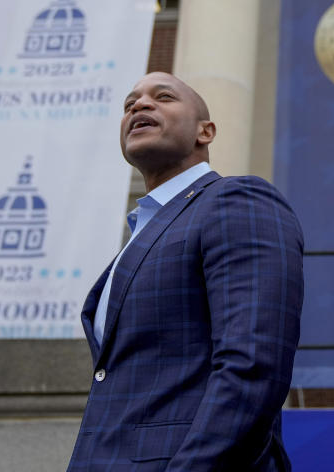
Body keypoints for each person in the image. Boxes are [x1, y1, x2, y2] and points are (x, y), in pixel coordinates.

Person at [67, 72, 305, 471]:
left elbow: (252, 366)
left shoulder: (236, 200)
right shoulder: (140, 237)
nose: (140, 105)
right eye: (130, 104)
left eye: (163, 97)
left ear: (205, 132)